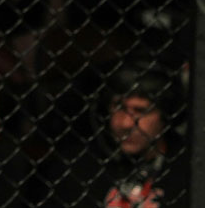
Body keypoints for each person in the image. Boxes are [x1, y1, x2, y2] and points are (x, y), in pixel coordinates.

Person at [39, 58, 189, 207]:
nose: (126, 123)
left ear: (165, 116)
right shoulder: (77, 168)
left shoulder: (187, 171)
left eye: (140, 111)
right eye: (119, 107)